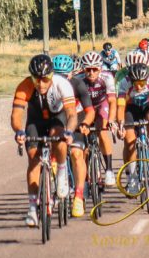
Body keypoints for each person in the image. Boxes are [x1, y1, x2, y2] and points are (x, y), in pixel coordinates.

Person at [11, 54, 78, 227]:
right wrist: (19, 130)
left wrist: (69, 131)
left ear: (52, 75)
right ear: (31, 77)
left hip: (57, 118)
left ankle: (62, 172)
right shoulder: (25, 86)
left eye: (45, 79)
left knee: (60, 136)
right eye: (37, 79)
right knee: (33, 158)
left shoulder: (62, 84)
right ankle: (33, 208)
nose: (41, 84)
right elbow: (16, 115)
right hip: (35, 121)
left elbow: (71, 115)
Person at [53, 54, 94, 218]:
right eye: (57, 74)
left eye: (65, 75)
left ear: (71, 73)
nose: (62, 78)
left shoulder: (78, 84)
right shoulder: (50, 85)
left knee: (77, 154)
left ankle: (78, 196)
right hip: (58, 118)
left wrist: (86, 124)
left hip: (77, 118)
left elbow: (90, 111)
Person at [116, 62, 149, 193]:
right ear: (131, 80)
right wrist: (120, 124)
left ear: (147, 79)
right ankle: (132, 178)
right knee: (129, 139)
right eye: (136, 83)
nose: (138, 86)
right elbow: (121, 106)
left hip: (148, 104)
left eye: (142, 83)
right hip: (131, 107)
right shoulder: (124, 82)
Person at [79, 50, 117, 181]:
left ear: (100, 68)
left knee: (102, 130)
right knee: (82, 138)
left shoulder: (107, 77)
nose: (91, 73)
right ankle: (84, 176)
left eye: (94, 69)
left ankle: (109, 170)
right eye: (88, 70)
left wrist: (111, 120)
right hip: (85, 107)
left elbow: (112, 101)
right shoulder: (78, 79)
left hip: (102, 104)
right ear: (83, 69)